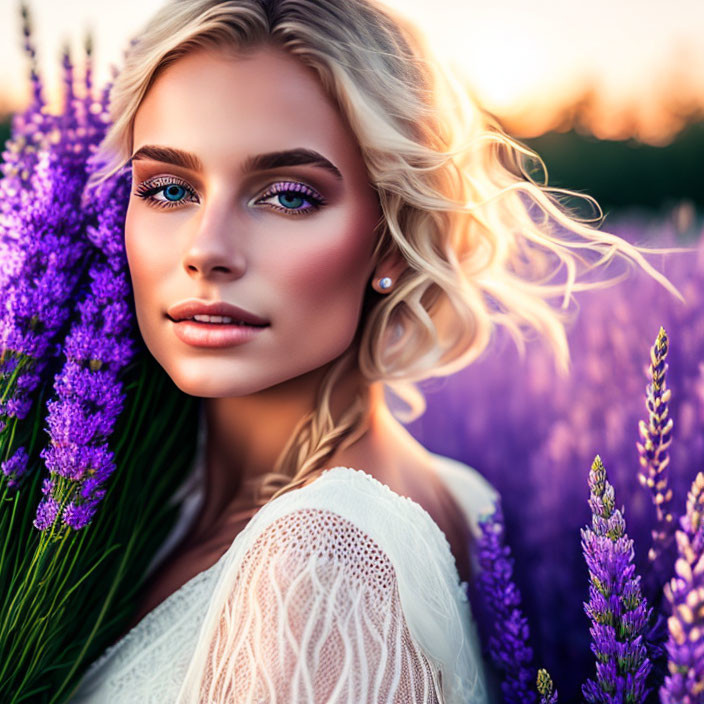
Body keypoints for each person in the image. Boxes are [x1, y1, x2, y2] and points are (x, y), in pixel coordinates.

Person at [67, 0, 684, 702]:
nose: (206, 249)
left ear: (390, 237)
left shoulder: (322, 562)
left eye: (288, 197)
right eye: (169, 188)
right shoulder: (450, 491)